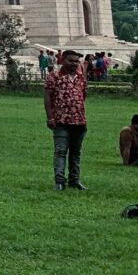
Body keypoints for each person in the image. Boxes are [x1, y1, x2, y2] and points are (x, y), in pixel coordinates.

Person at [44, 49, 88, 190]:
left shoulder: (81, 77)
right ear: (62, 60)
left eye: (76, 61)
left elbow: (83, 96)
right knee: (61, 151)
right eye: (71, 60)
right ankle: (59, 181)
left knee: (76, 153)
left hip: (79, 120)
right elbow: (47, 97)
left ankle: (74, 180)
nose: (74, 63)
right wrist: (50, 117)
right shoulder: (54, 76)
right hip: (61, 121)